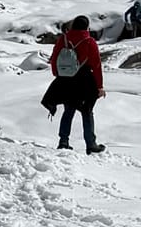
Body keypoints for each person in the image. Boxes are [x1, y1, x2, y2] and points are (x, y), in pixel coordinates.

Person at [44, 14, 105, 154]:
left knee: (68, 110)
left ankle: (63, 141)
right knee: (87, 112)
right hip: (85, 80)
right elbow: (96, 65)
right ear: (87, 27)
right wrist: (100, 86)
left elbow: (54, 59)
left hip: (66, 80)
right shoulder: (89, 41)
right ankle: (91, 144)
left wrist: (58, 75)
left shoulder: (64, 39)